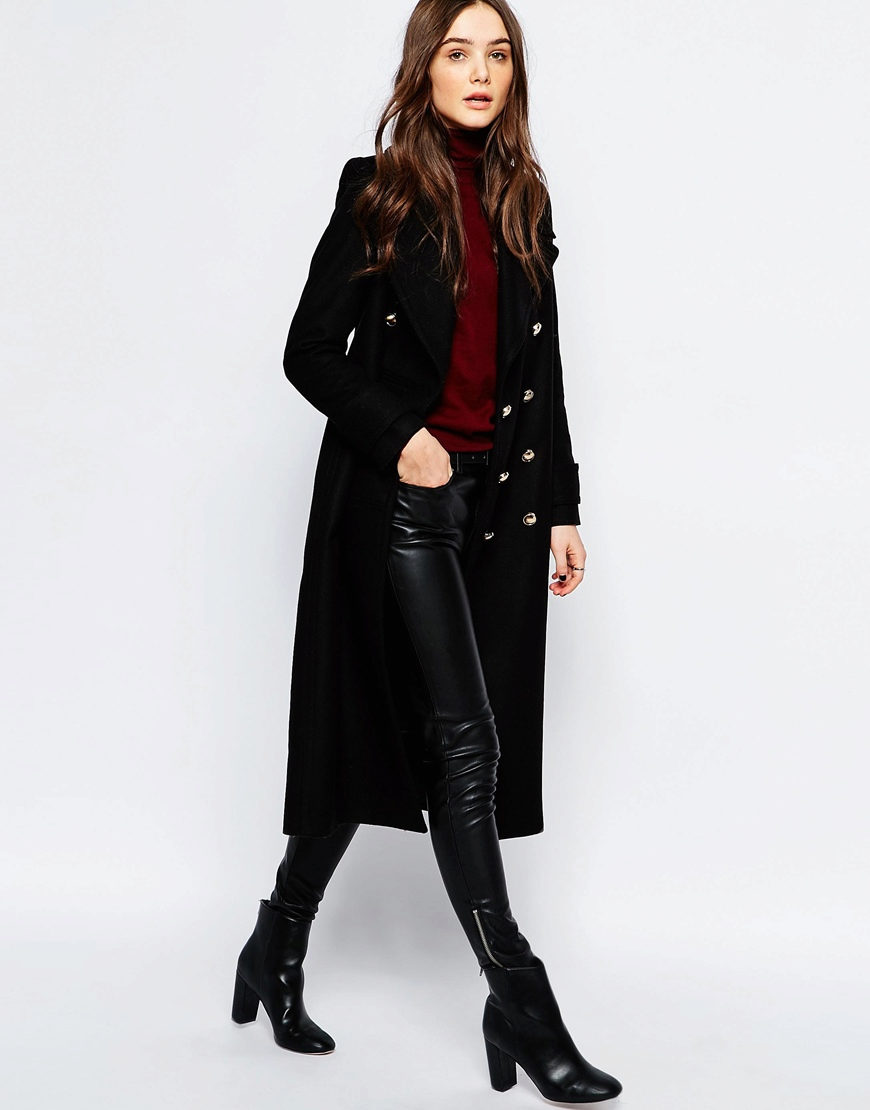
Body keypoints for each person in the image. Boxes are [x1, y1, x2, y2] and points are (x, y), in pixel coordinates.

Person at [232, 1, 622, 1102]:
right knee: (464, 744)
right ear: (425, 69)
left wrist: (564, 505)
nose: (480, 70)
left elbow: (542, 373)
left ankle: (275, 940)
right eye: (459, 52)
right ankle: (522, 999)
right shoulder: (379, 191)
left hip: (500, 512)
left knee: (379, 739)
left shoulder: (523, 197)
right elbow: (309, 351)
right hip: (400, 506)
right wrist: (400, 434)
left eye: (498, 54)